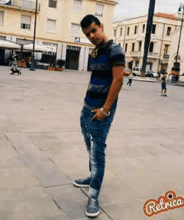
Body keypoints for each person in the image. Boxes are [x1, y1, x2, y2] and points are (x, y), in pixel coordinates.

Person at [73, 14, 125, 217]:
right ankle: (92, 177)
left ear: (101, 27)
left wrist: (105, 110)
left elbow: (117, 81)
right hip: (86, 109)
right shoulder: (97, 52)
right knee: (90, 148)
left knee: (97, 153)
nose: (92, 36)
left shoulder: (115, 50)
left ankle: (93, 195)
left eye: (94, 30)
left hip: (100, 114)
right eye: (87, 34)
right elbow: (104, 75)